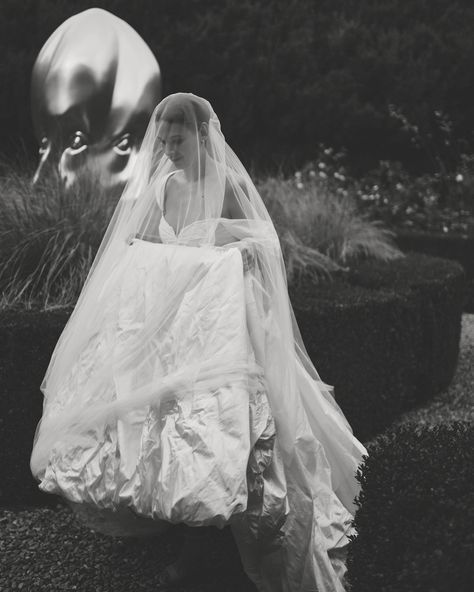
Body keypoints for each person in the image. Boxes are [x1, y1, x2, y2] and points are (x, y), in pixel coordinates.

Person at [31, 93, 367, 592]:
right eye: (162, 139)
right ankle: (186, 531)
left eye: (178, 138)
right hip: (172, 331)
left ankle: (210, 548)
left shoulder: (229, 185)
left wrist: (224, 246)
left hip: (221, 329)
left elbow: (265, 247)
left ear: (203, 135)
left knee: (226, 437)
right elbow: (135, 249)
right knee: (166, 436)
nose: (169, 147)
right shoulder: (162, 185)